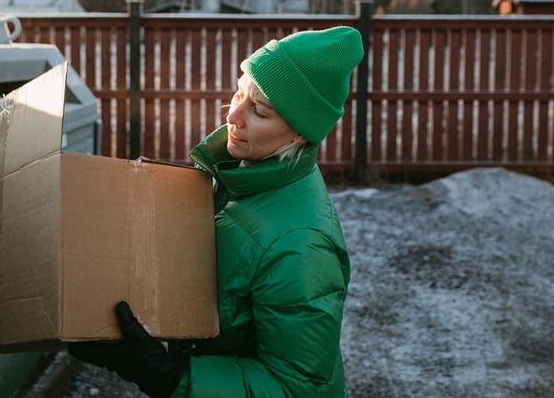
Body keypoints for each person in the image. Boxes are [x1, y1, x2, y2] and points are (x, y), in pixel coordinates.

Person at [69, 25, 364, 397]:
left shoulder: (302, 247)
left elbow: (297, 387)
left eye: (258, 110)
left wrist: (171, 376)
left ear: (300, 134)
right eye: (239, 92)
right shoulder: (239, 175)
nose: (233, 115)